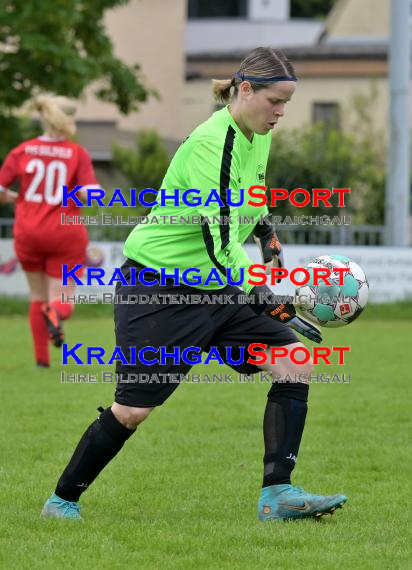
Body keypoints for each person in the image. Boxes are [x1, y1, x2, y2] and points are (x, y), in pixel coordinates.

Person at [41, 47, 347, 521]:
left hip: (215, 286)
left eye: (287, 102)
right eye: (276, 101)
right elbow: (214, 235)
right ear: (246, 90)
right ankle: (62, 500)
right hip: (160, 289)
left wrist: (265, 230)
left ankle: (278, 495)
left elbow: (251, 192)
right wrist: (259, 291)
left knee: (294, 361)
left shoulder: (257, 133)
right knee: (132, 410)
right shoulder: (212, 143)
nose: (282, 112)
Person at [0, 95, 100, 368]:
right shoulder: (76, 152)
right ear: (67, 121)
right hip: (64, 232)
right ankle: (54, 313)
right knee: (62, 299)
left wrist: (13, 197)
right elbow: (92, 194)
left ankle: (41, 360)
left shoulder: (22, 150)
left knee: (36, 295)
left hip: (28, 231)